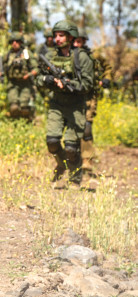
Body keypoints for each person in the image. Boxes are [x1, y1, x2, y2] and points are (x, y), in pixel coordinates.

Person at [35, 20, 94, 185]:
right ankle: (62, 164)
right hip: (57, 104)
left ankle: (75, 180)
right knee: (52, 142)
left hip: (76, 106)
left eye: (61, 35)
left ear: (70, 36)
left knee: (71, 147)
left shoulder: (81, 57)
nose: (57, 39)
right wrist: (48, 79)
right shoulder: (49, 56)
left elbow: (88, 84)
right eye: (56, 35)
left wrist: (69, 85)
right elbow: (37, 78)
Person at [73, 29, 111, 173]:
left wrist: (106, 79)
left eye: (79, 41)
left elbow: (107, 67)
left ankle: (87, 160)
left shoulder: (93, 55)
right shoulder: (67, 55)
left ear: (84, 41)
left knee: (86, 127)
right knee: (72, 128)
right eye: (74, 41)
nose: (77, 44)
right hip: (72, 96)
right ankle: (72, 158)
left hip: (89, 96)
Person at [0, 32, 38, 120]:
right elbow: (1, 67)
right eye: (12, 42)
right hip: (12, 83)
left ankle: (26, 122)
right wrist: (0, 72)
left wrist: (29, 74)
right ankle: (15, 122)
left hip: (25, 83)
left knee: (24, 107)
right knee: (14, 106)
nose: (14, 43)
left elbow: (36, 68)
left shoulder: (27, 54)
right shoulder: (7, 55)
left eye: (16, 41)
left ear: (20, 42)